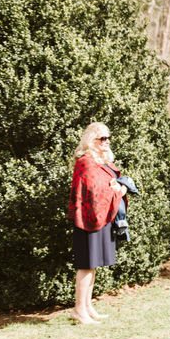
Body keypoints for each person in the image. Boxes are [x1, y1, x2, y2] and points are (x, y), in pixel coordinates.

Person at [68, 122, 128, 324]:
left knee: (93, 266)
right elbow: (93, 193)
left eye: (108, 137)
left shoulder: (101, 161)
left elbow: (106, 183)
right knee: (86, 265)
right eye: (102, 138)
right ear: (90, 141)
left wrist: (118, 186)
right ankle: (78, 309)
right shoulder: (85, 162)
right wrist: (117, 191)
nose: (107, 141)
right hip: (87, 219)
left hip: (102, 217)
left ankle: (87, 306)